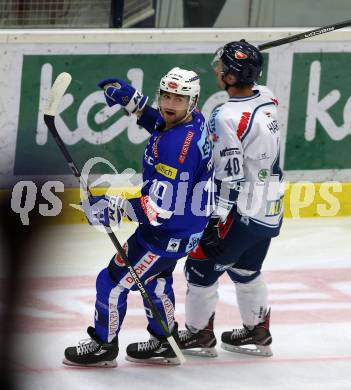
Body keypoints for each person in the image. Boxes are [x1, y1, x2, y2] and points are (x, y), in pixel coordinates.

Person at [63, 67, 214, 367]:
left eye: (179, 99)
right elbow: (162, 122)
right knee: (155, 280)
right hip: (186, 227)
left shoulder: (176, 150)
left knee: (111, 282)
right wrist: (135, 103)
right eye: (166, 96)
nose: (170, 105)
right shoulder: (193, 121)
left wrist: (111, 207)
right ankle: (165, 341)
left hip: (166, 232)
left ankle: (103, 345)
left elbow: (159, 210)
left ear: (193, 101)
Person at [175, 40, 284, 358]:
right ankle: (257, 330)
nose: (218, 70)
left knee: (200, 267)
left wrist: (216, 217)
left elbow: (231, 173)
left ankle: (198, 334)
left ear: (233, 77)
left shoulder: (224, 116)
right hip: (270, 209)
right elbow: (256, 85)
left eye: (223, 67)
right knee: (246, 270)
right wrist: (247, 60)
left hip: (242, 210)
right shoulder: (266, 98)